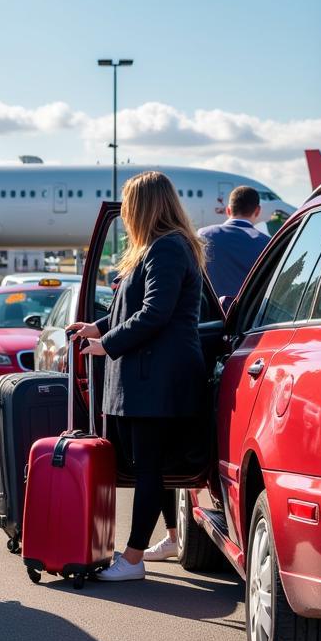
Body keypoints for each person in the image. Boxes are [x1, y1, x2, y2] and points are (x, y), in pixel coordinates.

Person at [68, 171, 206, 581]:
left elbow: (154, 314)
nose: (125, 213)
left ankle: (131, 559)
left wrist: (108, 343)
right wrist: (97, 327)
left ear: (143, 207)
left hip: (156, 380)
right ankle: (172, 536)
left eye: (129, 205)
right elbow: (136, 309)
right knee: (155, 466)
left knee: (147, 467)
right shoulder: (165, 247)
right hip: (156, 377)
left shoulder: (165, 249)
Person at [198, 185, 269, 306]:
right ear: (257, 211)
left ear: (228, 210)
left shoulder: (203, 235)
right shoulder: (267, 244)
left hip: (209, 316)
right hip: (250, 319)